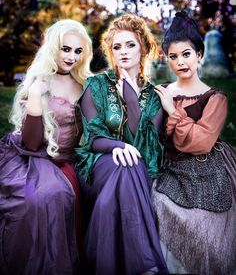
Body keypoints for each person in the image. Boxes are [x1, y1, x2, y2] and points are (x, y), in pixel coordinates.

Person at [75, 14, 168, 275]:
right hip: (97, 164)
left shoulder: (155, 96)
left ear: (145, 48)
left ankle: (107, 265)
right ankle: (143, 262)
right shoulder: (96, 85)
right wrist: (117, 146)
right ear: (110, 52)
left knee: (130, 165)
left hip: (139, 167)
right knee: (126, 164)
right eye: (116, 47)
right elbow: (93, 138)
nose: (123, 52)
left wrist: (130, 96)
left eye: (130, 45)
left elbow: (146, 145)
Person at [0, 19, 93, 275]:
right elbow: (30, 142)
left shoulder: (87, 85)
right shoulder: (39, 81)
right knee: (36, 199)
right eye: (66, 49)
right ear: (53, 48)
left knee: (59, 193)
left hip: (67, 159)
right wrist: (35, 97)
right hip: (32, 157)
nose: (72, 56)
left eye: (78, 51)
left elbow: (99, 128)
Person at [153, 11, 236, 275]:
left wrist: (172, 110)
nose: (180, 62)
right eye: (173, 56)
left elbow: (200, 143)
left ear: (199, 55)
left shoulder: (215, 98)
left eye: (186, 54)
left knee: (207, 220)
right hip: (170, 167)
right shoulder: (162, 91)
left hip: (207, 164)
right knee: (158, 202)